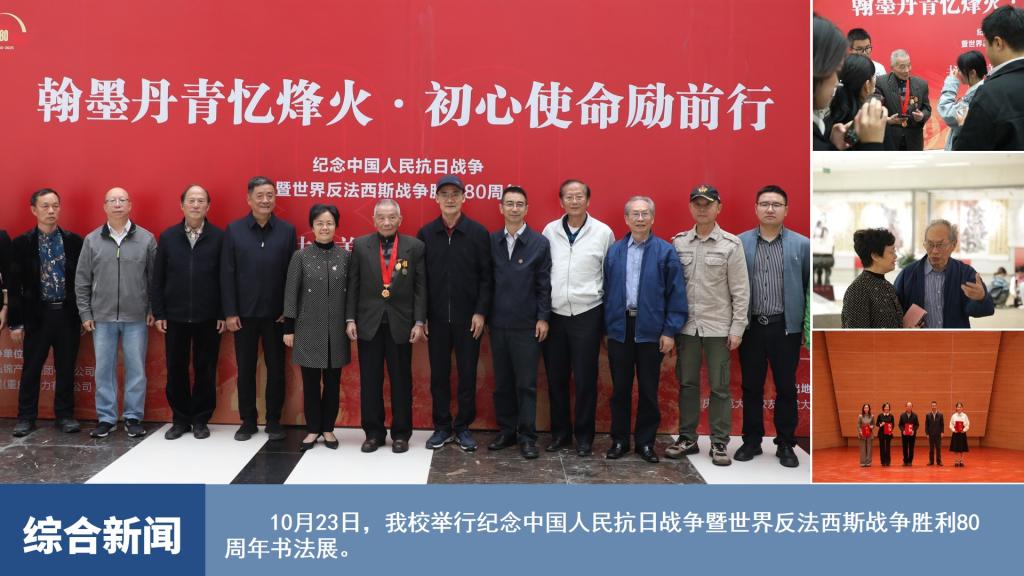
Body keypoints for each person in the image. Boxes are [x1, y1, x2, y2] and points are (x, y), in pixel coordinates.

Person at [665, 185, 748, 467]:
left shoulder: (731, 245)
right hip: (687, 328)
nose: (702, 209)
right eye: (697, 204)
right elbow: (670, 288)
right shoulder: (678, 243)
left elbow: (741, 290)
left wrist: (737, 328)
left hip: (718, 328)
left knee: (720, 387)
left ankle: (719, 442)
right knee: (687, 384)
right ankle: (687, 438)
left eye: (708, 204)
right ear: (691, 207)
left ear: (718, 208)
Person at [604, 196, 687, 464]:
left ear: (652, 218)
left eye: (645, 214)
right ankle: (619, 440)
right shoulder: (615, 251)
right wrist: (608, 327)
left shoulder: (665, 251)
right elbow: (605, 290)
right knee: (620, 390)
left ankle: (645, 443)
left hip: (652, 330)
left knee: (649, 390)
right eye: (635, 214)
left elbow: (676, 294)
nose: (640, 219)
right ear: (626, 219)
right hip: (620, 328)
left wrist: (669, 331)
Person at [417, 175, 493, 451]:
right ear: (436, 198)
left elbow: (487, 278)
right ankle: (441, 426)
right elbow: (420, 280)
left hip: (468, 319)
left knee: (467, 374)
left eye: (455, 194)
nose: (450, 199)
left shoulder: (478, 233)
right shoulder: (426, 234)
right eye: (444, 194)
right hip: (436, 319)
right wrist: (422, 315)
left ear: (464, 198)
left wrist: (481, 312)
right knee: (439, 375)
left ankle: (462, 427)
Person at [75, 187, 157, 439]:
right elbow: (82, 280)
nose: (118, 204)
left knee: (136, 370)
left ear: (130, 205)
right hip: (102, 317)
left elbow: (155, 280)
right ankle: (106, 418)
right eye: (112, 200)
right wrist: (85, 313)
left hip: (136, 317)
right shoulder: (92, 240)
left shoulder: (146, 239)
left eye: (122, 200)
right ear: (105, 206)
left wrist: (152, 309)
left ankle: (133, 417)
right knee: (103, 370)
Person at [737, 186, 809, 468]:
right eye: (764, 204)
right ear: (755, 208)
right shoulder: (740, 243)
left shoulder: (802, 245)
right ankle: (752, 441)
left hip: (785, 328)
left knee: (786, 388)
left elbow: (807, 287)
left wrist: (804, 328)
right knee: (751, 386)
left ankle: (786, 443)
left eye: (776, 204)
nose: (770, 209)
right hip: (751, 327)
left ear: (786, 210)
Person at [346, 199, 426, 454]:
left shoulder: (415, 246)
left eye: (392, 217)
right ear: (374, 220)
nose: (387, 222)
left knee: (401, 381)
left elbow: (420, 288)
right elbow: (353, 285)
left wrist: (419, 322)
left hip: (401, 323)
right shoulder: (361, 245)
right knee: (370, 381)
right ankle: (373, 433)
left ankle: (401, 434)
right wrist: (350, 319)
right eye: (381, 217)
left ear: (400, 220)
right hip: (368, 323)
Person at [542, 180, 615, 457]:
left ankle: (584, 437)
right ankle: (560, 434)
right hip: (555, 314)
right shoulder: (550, 231)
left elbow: (609, 276)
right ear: (561, 202)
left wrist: (606, 323)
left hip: (588, 313)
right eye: (569, 197)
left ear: (588, 200)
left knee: (585, 380)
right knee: (556, 379)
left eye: (579, 196)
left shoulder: (603, 233)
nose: (574, 201)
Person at [221, 176, 297, 441]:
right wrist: (230, 312)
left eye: (270, 195)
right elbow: (227, 273)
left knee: (276, 370)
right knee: (246, 369)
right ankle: (248, 421)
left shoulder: (287, 231)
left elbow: (292, 275)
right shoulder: (234, 230)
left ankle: (274, 420)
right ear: (249, 199)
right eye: (260, 195)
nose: (265, 200)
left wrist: (289, 310)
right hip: (243, 315)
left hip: (277, 316)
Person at [151, 185, 225, 440]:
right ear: (182, 205)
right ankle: (180, 419)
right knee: (176, 369)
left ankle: (201, 419)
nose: (195, 205)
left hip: (209, 317)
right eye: (191, 200)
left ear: (208, 206)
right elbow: (158, 278)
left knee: (206, 369)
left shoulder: (219, 237)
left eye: (201, 201)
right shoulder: (168, 237)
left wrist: (223, 313)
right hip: (175, 317)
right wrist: (159, 312)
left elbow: (225, 277)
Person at [8, 189, 83, 437]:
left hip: (67, 314)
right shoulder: (22, 243)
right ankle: (26, 417)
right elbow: (14, 285)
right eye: (45, 206)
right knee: (31, 368)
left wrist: (84, 315)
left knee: (66, 367)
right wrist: (16, 323)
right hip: (37, 315)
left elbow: (83, 281)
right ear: (34, 209)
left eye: (55, 206)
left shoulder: (74, 242)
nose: (51, 211)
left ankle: (65, 415)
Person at [486, 186, 552, 460]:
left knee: (526, 385)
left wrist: (543, 318)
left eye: (519, 204)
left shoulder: (539, 243)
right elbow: (486, 282)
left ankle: (527, 437)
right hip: (498, 324)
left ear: (526, 209)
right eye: (509, 204)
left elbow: (544, 285)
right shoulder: (491, 241)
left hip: (527, 326)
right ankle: (507, 431)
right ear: (501, 208)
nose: (514, 208)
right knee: (502, 383)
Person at [283, 204, 350, 451]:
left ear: (336, 226)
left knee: (333, 383)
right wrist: (288, 328)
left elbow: (352, 294)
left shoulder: (346, 257)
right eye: (320, 223)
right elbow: (291, 293)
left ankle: (328, 429)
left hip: (337, 331)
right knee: (310, 384)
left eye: (329, 223)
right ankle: (313, 429)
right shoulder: (300, 257)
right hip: (307, 329)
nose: (325, 227)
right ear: (312, 226)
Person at [893, 219, 994, 328]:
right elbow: (894, 312)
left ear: (953, 245)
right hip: (919, 338)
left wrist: (981, 298)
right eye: (930, 244)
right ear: (924, 244)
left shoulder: (965, 273)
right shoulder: (908, 274)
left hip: (954, 338)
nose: (935, 251)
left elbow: (986, 310)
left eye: (940, 245)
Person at [954, 5, 1024, 150]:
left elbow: (967, 154)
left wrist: (962, 126)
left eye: (986, 43)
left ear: (997, 43)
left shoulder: (990, 93)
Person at [813, 15, 886, 151]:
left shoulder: (821, 129)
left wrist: (833, 145)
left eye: (868, 48)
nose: (836, 82)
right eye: (834, 71)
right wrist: (872, 143)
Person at [841, 228, 903, 329]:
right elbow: (856, 335)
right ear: (875, 256)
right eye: (891, 252)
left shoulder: (888, 286)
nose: (895, 256)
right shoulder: (858, 290)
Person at [875, 49, 932, 151]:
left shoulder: (921, 84)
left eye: (909, 65)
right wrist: (889, 120)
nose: (907, 70)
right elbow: (876, 110)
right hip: (890, 138)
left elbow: (927, 108)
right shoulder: (881, 83)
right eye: (902, 67)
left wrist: (922, 116)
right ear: (892, 67)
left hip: (913, 139)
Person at [938, 50, 988, 150]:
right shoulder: (983, 89)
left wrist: (952, 82)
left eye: (960, 70)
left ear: (972, 73)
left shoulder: (975, 96)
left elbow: (947, 112)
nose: (958, 73)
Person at [829, 54, 881, 132]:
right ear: (867, 85)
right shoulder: (868, 123)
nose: (875, 80)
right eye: (873, 76)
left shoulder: (829, 117)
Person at [949, 401, 970, 467]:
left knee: (962, 448)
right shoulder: (953, 416)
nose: (959, 408)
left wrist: (964, 430)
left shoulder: (965, 416)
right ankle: (956, 461)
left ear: (962, 408)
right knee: (955, 448)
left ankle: (961, 461)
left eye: (960, 407)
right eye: (958, 407)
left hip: (962, 434)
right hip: (955, 434)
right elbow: (951, 424)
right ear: (956, 408)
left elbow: (967, 424)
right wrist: (953, 430)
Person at [898, 401, 919, 466]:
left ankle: (910, 461)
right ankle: (905, 461)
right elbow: (900, 425)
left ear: (912, 407)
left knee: (911, 448)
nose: (909, 407)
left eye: (910, 406)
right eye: (908, 406)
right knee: (905, 448)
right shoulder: (902, 415)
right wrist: (903, 430)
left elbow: (917, 425)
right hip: (904, 435)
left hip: (912, 435)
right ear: (906, 407)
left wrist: (913, 430)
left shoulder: (915, 415)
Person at [925, 400, 945, 467]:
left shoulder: (940, 415)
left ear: (936, 406)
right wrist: (927, 433)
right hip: (930, 434)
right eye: (932, 405)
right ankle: (931, 461)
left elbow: (942, 424)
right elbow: (926, 425)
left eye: (934, 405)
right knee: (931, 449)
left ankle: (939, 461)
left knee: (938, 448)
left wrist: (942, 432)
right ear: (931, 406)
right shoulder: (928, 415)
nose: (933, 407)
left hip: (938, 434)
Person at [876, 402, 895, 467]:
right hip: (881, 433)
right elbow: (877, 424)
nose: (886, 408)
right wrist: (881, 424)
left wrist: (890, 429)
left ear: (889, 408)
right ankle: (883, 461)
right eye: (885, 407)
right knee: (882, 448)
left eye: (888, 407)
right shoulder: (880, 415)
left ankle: (888, 461)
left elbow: (893, 425)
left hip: (888, 434)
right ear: (883, 408)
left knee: (888, 448)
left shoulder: (891, 416)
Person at [857, 403, 874, 467]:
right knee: (863, 448)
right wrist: (860, 432)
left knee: (869, 448)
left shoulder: (872, 416)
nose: (866, 409)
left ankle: (868, 462)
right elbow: (858, 425)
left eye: (867, 408)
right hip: (862, 434)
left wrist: (872, 426)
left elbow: (873, 424)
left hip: (869, 434)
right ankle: (863, 462)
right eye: (865, 408)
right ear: (863, 409)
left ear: (869, 409)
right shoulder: (860, 416)